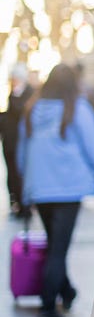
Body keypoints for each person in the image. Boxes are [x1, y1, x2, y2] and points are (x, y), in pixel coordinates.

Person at [17, 63, 94, 317]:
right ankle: (48, 308)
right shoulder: (77, 108)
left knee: (56, 246)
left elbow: (23, 154)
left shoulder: (32, 110)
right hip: (69, 191)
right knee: (58, 249)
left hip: (41, 191)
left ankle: (67, 291)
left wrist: (27, 187)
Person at [1, 63, 33, 217]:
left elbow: (22, 111)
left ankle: (25, 206)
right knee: (12, 175)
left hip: (24, 142)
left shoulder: (28, 94)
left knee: (22, 175)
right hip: (10, 142)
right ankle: (16, 204)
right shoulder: (11, 94)